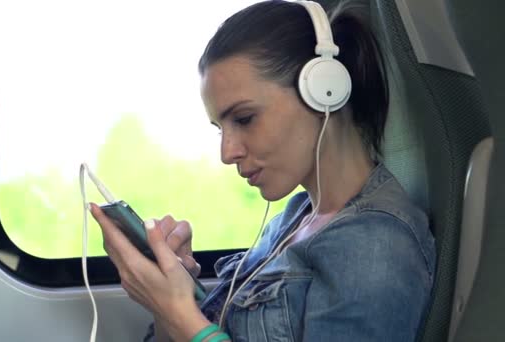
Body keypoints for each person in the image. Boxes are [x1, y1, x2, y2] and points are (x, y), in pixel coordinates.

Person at [89, 1, 436, 341]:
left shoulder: (373, 246)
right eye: (220, 128)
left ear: (323, 92)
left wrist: (179, 315)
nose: (227, 153)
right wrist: (171, 297)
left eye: (244, 119)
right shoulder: (292, 220)